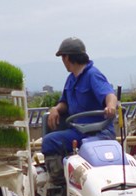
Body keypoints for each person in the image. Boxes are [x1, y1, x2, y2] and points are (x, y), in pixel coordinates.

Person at [42, 37, 117, 188]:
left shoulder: (92, 75)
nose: (63, 61)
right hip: (78, 131)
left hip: (99, 132)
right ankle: (59, 184)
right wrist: (56, 109)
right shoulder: (71, 79)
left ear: (67, 57)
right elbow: (65, 103)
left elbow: (110, 94)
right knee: (49, 141)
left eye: (62, 57)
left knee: (86, 148)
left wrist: (111, 106)